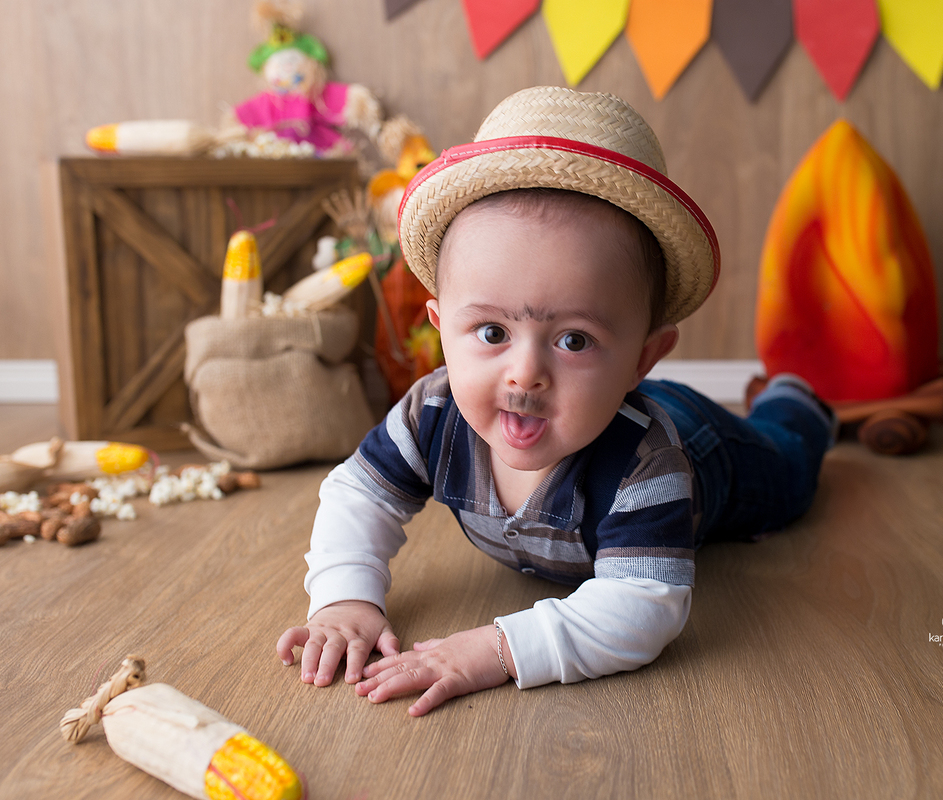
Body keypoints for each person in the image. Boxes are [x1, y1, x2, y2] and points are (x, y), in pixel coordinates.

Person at [276, 86, 836, 716]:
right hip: (622, 406)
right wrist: (345, 598)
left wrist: (489, 649)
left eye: (574, 340)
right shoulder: (432, 413)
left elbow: (642, 609)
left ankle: (797, 400)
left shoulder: (646, 464)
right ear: (441, 327)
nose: (526, 373)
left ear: (643, 358)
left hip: (707, 446)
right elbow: (359, 494)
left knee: (787, 465)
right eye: (491, 333)